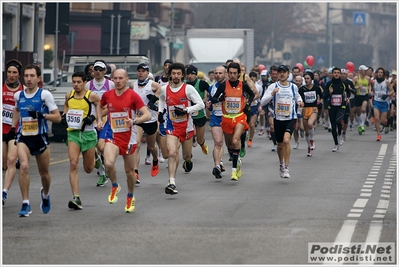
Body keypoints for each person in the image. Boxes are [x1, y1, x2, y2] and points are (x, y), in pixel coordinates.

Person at [9, 64, 61, 216]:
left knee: (44, 174)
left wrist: (41, 115)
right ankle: (26, 203)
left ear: (38, 78)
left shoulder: (45, 95)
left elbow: (57, 117)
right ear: (23, 77)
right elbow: (17, 110)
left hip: (40, 137)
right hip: (24, 136)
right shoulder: (18, 95)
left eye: (32, 76)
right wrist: (13, 127)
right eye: (26, 76)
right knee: (24, 166)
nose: (29, 79)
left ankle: (45, 195)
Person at [96, 69, 151, 213]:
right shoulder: (108, 95)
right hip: (112, 135)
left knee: (129, 173)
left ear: (127, 79)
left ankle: (130, 196)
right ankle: (115, 185)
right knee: (108, 163)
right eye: (115, 78)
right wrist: (98, 120)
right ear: (112, 80)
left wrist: (134, 121)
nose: (118, 81)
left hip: (129, 138)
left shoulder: (133, 96)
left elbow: (147, 115)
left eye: (121, 78)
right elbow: (99, 105)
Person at [157, 62, 205, 194]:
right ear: (170, 75)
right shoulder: (164, 89)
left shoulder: (188, 89)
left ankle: (188, 160)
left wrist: (186, 110)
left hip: (187, 127)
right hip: (172, 126)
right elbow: (161, 99)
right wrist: (161, 112)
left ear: (182, 75)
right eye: (173, 73)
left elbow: (201, 104)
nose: (176, 76)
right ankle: (171, 182)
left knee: (186, 155)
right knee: (172, 153)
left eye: (178, 73)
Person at [62, 72, 102, 210]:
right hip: (73, 133)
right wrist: (65, 115)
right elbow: (66, 105)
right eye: (74, 82)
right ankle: (76, 198)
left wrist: (94, 117)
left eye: (79, 82)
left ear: (85, 82)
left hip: (88, 134)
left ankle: (96, 158)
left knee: (88, 169)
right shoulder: (69, 95)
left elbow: (101, 106)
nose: (76, 85)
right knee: (73, 164)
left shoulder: (90, 95)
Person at [211, 62, 255, 181]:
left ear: (238, 74)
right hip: (226, 118)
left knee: (236, 141)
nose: (232, 75)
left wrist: (248, 104)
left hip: (239, 117)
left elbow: (252, 95)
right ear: (227, 73)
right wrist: (219, 98)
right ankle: (236, 159)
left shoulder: (243, 85)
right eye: (230, 73)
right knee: (230, 145)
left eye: (235, 73)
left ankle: (234, 170)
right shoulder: (223, 86)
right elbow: (213, 98)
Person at [260, 65, 304, 179]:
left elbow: (298, 97)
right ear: (277, 74)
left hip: (290, 118)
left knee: (286, 140)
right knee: (280, 145)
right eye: (280, 72)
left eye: (284, 72)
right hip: (278, 119)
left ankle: (286, 167)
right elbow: (263, 102)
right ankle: (281, 163)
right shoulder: (273, 86)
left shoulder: (293, 87)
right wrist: (272, 94)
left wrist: (300, 102)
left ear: (288, 74)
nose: (282, 74)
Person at [85, 59, 115, 186]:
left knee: (101, 147)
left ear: (105, 71)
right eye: (95, 69)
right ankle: (102, 173)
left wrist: (99, 116)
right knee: (93, 149)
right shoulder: (88, 85)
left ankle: (107, 165)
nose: (97, 72)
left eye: (100, 70)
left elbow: (112, 104)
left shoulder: (110, 85)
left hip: (105, 119)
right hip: (90, 120)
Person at [130, 63, 162, 182]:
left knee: (151, 146)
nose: (141, 73)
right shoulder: (133, 85)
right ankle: (135, 172)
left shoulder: (152, 84)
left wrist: (153, 100)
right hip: (138, 119)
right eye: (139, 71)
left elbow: (161, 89)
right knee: (136, 145)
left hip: (150, 119)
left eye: (143, 71)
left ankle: (155, 160)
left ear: (148, 73)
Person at [2, 59, 24, 205]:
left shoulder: (22, 91)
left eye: (14, 72)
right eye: (9, 72)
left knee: (11, 161)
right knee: (4, 163)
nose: (11, 75)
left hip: (14, 131)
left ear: (19, 75)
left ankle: (4, 193)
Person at [205, 65, 227, 178]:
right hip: (216, 117)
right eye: (216, 73)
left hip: (228, 117)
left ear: (225, 74)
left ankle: (224, 161)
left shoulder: (230, 86)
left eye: (220, 73)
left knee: (229, 143)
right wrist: (208, 106)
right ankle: (217, 166)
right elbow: (210, 103)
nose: (218, 75)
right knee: (218, 142)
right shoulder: (211, 87)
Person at [324, 67, 350, 152]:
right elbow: (324, 96)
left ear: (340, 74)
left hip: (341, 106)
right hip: (331, 107)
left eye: (338, 73)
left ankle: (340, 135)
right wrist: (329, 92)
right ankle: (336, 144)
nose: (336, 74)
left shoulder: (344, 84)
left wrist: (347, 98)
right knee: (333, 126)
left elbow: (348, 92)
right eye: (334, 72)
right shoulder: (329, 84)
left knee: (339, 121)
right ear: (332, 74)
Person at [185, 64, 209, 155]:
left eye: (192, 74)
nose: (190, 76)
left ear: (196, 74)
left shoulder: (202, 83)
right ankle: (188, 154)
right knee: (190, 135)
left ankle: (202, 144)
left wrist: (209, 100)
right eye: (188, 74)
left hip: (200, 114)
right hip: (188, 114)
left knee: (200, 139)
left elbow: (212, 92)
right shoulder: (184, 84)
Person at [298, 72, 323, 157]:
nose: (306, 80)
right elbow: (299, 100)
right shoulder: (301, 89)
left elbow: (322, 96)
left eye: (308, 78)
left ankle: (312, 141)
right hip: (305, 109)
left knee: (310, 124)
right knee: (306, 132)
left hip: (313, 109)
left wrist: (320, 102)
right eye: (305, 79)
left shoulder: (316, 88)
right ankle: (309, 147)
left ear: (311, 79)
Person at [372, 67, 394, 141]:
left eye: (381, 72)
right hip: (376, 101)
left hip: (384, 103)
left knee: (382, 120)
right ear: (376, 73)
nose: (380, 74)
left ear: (383, 74)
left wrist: (387, 95)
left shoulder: (386, 82)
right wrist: (370, 93)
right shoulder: (374, 82)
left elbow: (392, 91)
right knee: (376, 118)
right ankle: (378, 134)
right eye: (379, 72)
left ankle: (385, 122)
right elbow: (372, 90)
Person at [352, 65, 371, 135]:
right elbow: (352, 87)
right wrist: (357, 87)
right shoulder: (356, 78)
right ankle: (360, 124)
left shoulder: (368, 78)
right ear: (360, 71)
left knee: (363, 109)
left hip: (365, 95)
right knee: (358, 112)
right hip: (358, 96)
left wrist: (369, 91)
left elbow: (369, 85)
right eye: (364, 70)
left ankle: (362, 124)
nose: (365, 71)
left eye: (366, 70)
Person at [247, 71, 263, 147]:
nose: (252, 78)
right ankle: (246, 134)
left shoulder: (259, 87)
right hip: (246, 106)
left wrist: (260, 106)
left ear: (256, 78)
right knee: (245, 125)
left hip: (254, 106)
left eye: (254, 76)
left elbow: (260, 97)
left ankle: (250, 139)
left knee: (252, 124)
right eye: (251, 76)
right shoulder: (246, 85)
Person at [340, 68, 355, 139]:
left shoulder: (349, 82)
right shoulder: (336, 82)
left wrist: (350, 89)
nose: (342, 75)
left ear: (346, 75)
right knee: (338, 119)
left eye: (344, 74)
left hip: (346, 102)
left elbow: (355, 91)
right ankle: (339, 131)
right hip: (337, 103)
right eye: (341, 74)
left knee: (345, 119)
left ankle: (344, 132)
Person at [292, 75, 305, 149]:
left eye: (299, 81)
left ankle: (302, 131)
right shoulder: (292, 88)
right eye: (296, 81)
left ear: (301, 82)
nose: (297, 82)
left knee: (302, 127)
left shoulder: (303, 89)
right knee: (295, 128)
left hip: (301, 108)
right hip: (293, 109)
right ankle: (296, 142)